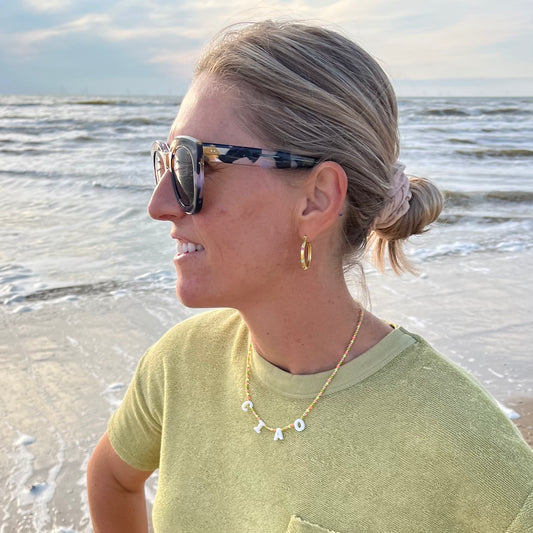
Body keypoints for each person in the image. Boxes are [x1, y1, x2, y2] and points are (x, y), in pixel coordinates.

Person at [87, 20, 533, 533]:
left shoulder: (469, 453)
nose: (159, 204)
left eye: (194, 164)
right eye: (165, 161)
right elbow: (112, 478)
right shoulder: (180, 364)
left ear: (317, 199)